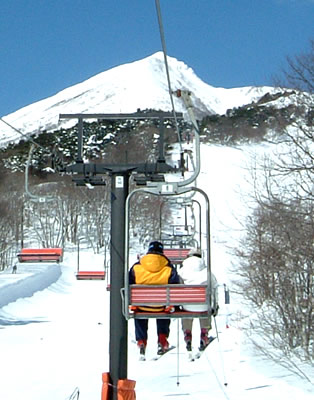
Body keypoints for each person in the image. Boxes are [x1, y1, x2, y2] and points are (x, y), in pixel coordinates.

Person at [129, 241, 180, 357]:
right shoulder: (169, 268)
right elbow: (175, 286)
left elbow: (128, 283)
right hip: (162, 306)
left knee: (140, 311)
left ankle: (141, 341)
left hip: (141, 305)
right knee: (164, 309)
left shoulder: (137, 267)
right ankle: (162, 339)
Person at [179, 248, 219, 351]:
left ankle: (187, 334)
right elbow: (214, 287)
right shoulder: (207, 271)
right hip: (203, 304)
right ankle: (204, 334)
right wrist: (215, 306)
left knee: (186, 308)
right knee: (205, 306)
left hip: (187, 305)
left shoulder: (182, 271)